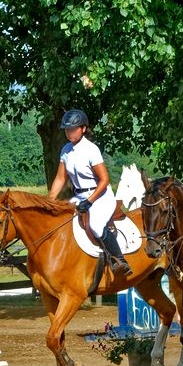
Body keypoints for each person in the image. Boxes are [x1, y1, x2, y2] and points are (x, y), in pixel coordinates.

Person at [47, 109, 129, 274]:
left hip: (100, 197)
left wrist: (90, 201)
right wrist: (48, 201)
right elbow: (60, 178)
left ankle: (119, 259)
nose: (69, 132)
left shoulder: (91, 149)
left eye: (73, 129)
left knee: (96, 226)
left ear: (83, 129)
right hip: (79, 196)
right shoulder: (66, 150)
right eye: (67, 129)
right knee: (59, 220)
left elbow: (105, 180)